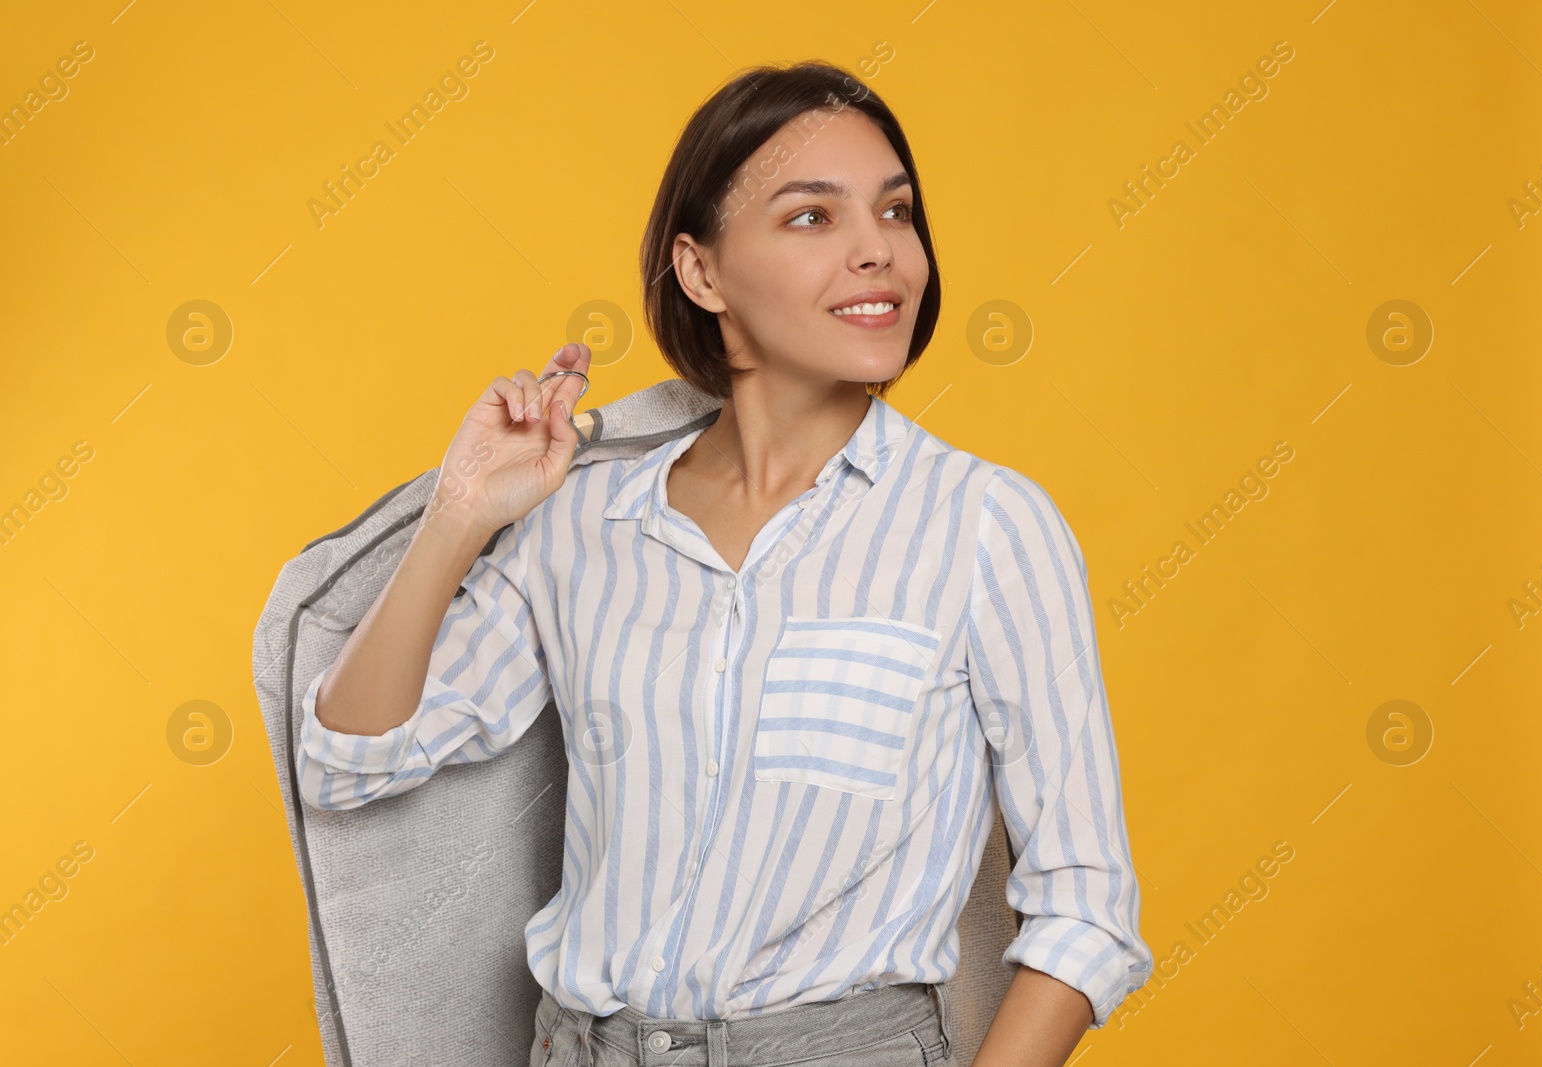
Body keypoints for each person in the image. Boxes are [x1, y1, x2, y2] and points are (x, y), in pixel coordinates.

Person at [297, 60, 1152, 1067]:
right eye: (811, 218)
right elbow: (352, 760)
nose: (878, 251)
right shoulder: (583, 525)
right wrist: (459, 512)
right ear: (700, 271)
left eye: (896, 211)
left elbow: (1085, 909)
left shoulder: (984, 525)